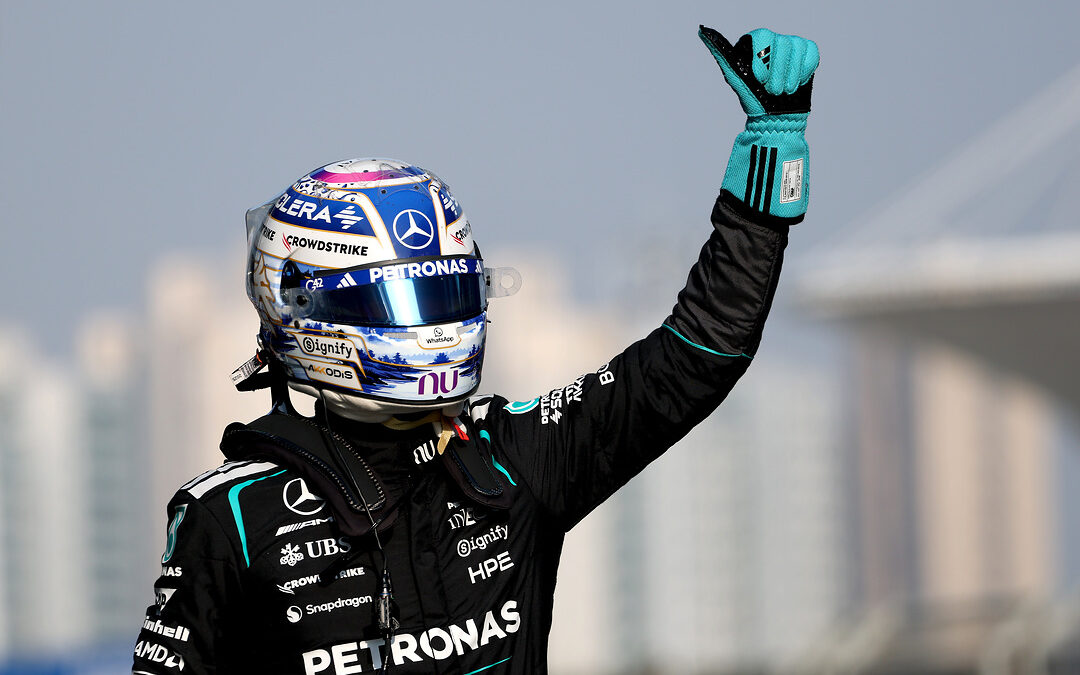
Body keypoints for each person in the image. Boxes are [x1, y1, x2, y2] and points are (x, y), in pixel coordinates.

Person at [132, 25, 819, 675]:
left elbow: (694, 358)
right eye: (398, 303)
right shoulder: (230, 517)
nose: (430, 329)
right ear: (306, 310)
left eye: (445, 294)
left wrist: (769, 162)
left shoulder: (510, 458)